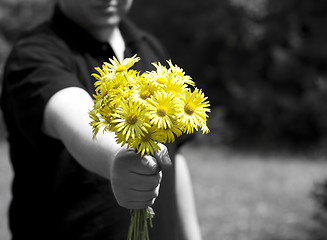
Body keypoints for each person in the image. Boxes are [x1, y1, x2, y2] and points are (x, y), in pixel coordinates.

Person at [0, 0, 202, 239]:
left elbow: (174, 158)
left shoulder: (149, 48)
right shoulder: (34, 54)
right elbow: (73, 115)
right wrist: (117, 157)